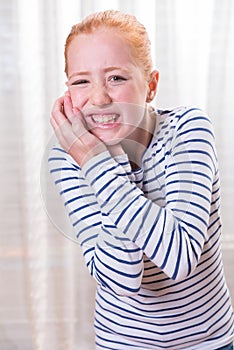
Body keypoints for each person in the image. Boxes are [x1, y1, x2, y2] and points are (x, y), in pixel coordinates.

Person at [48, 9, 234, 350]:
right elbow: (122, 277)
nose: (99, 97)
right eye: (81, 81)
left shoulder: (188, 131)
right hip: (123, 343)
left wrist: (96, 159)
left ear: (150, 85)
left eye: (116, 78)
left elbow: (178, 257)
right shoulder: (68, 158)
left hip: (209, 341)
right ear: (68, 94)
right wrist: (104, 157)